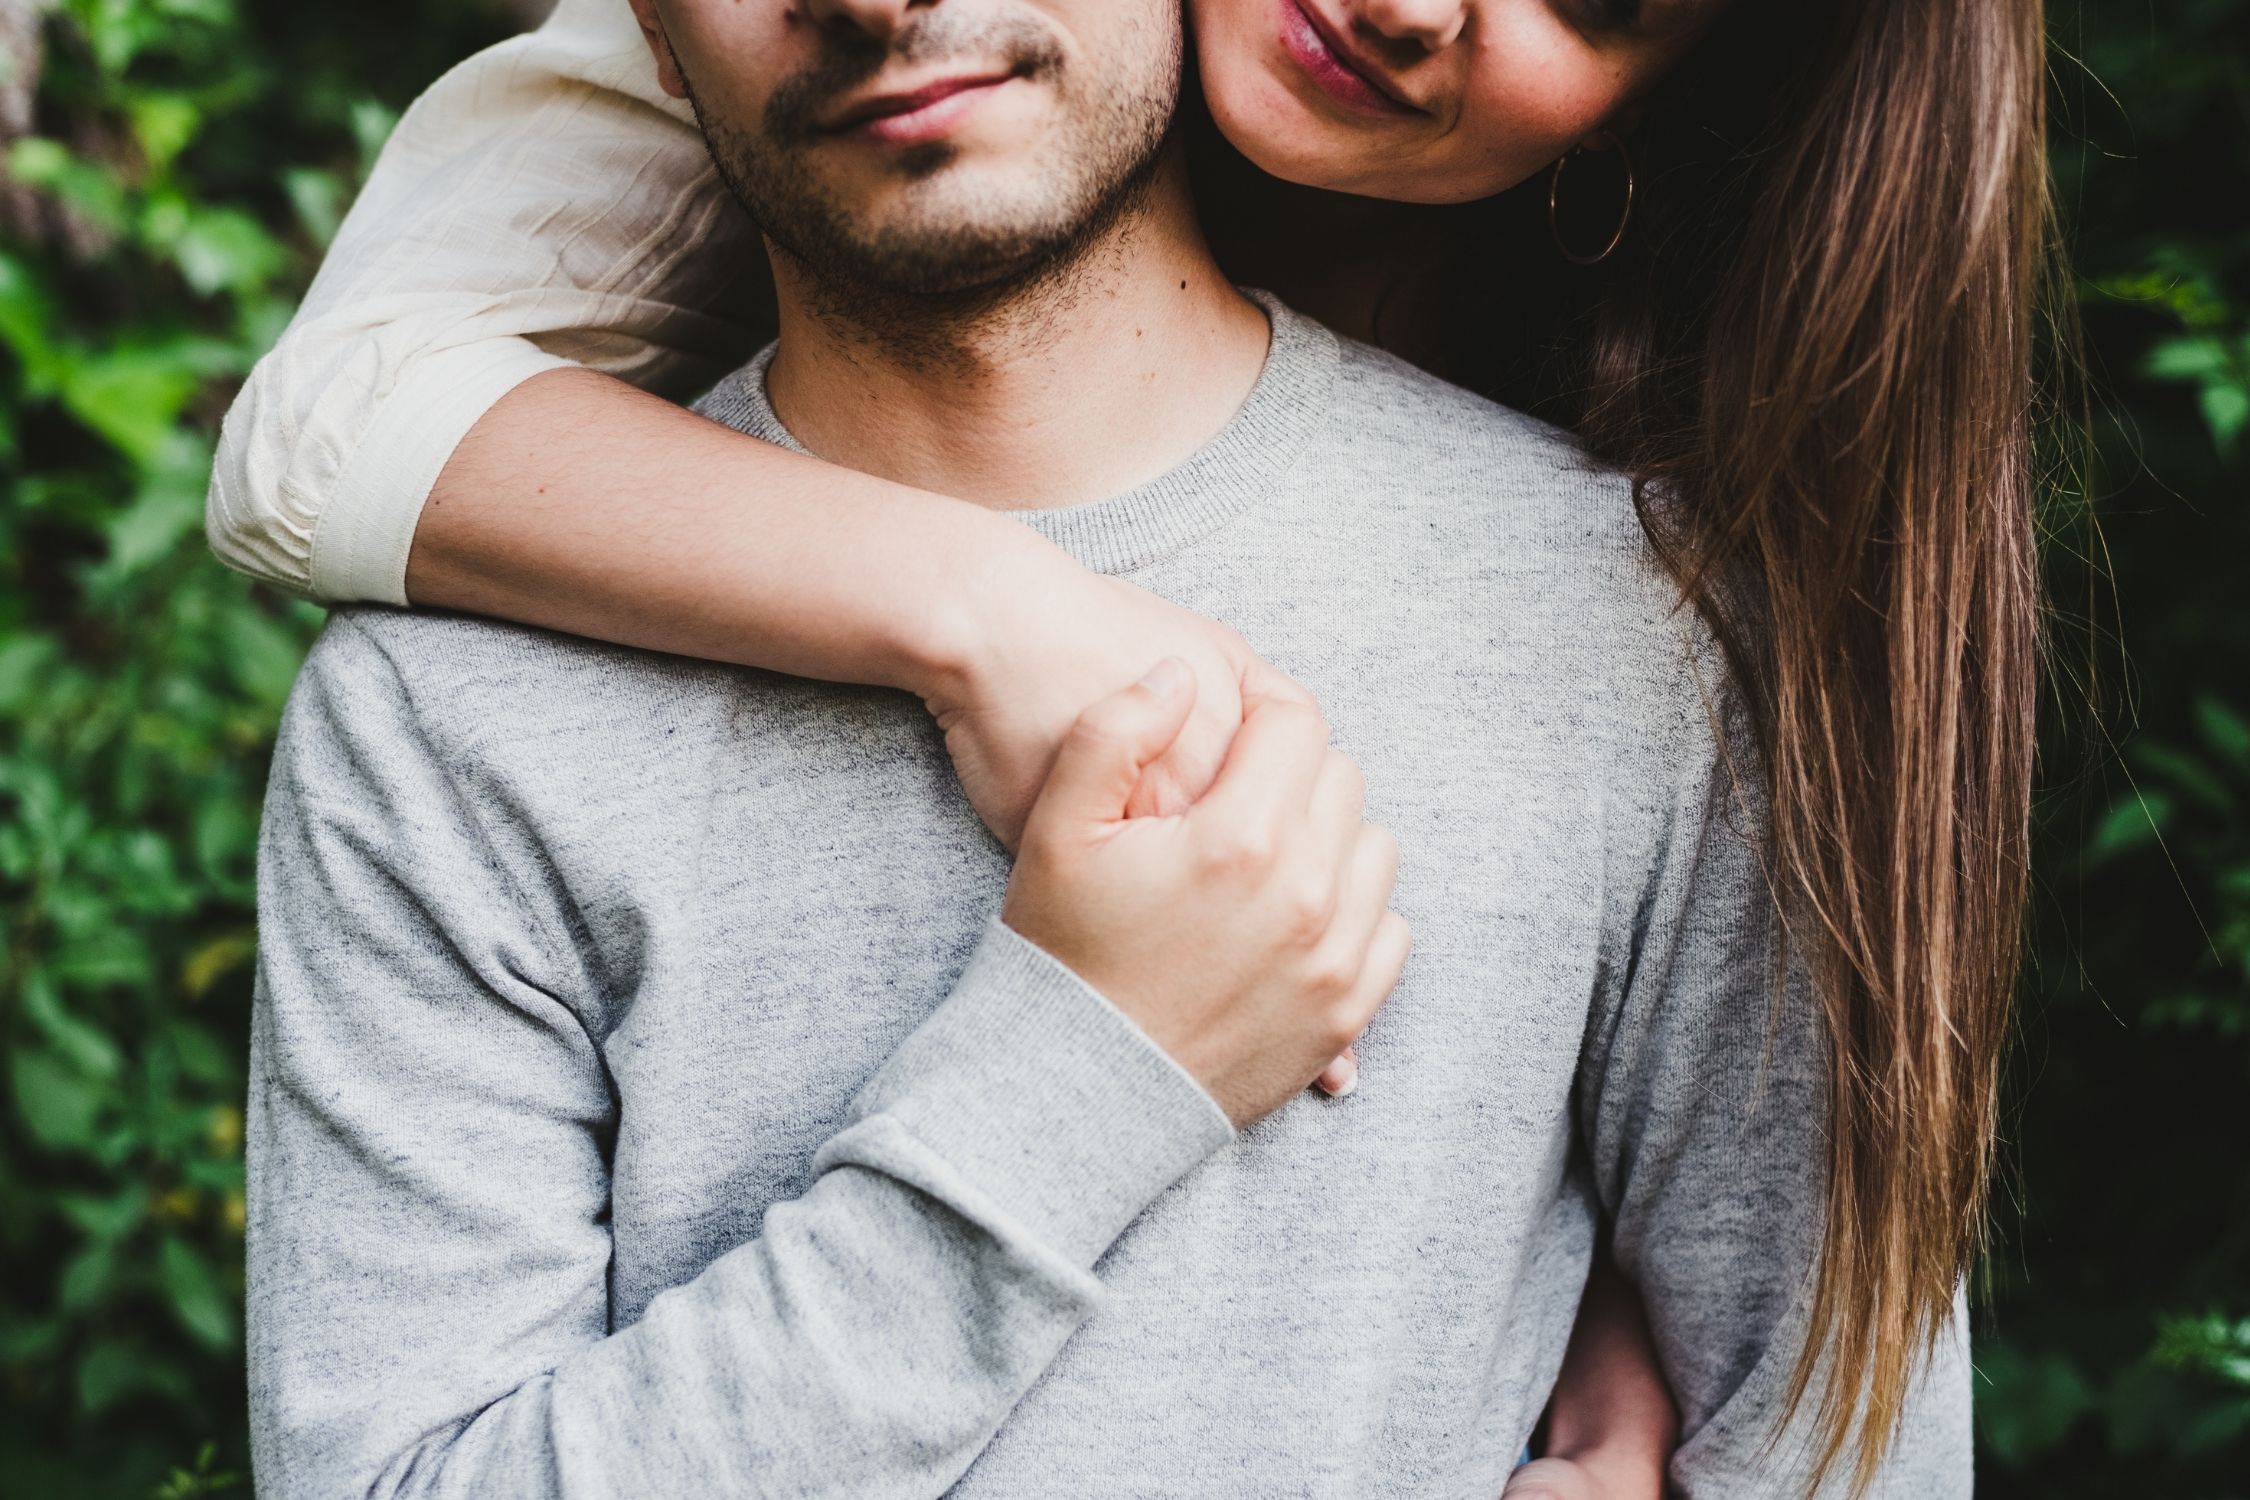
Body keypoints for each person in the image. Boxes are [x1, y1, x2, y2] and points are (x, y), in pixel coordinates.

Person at [222, 0, 2060, 1491]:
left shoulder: (1640, 628)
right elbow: (319, 440)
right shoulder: (447, 724)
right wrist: (1086, 1065)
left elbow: (1823, 1424)